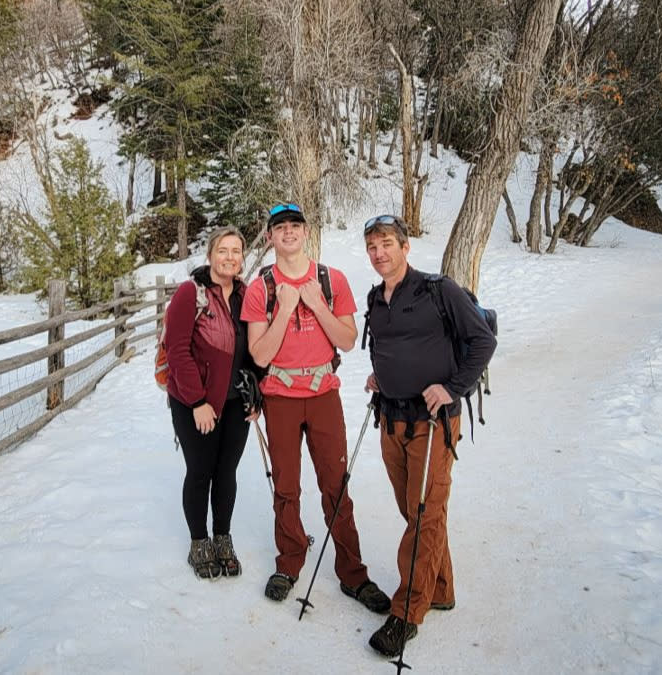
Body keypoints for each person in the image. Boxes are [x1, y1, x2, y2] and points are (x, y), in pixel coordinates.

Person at [241, 203, 390, 613]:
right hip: (280, 397)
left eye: (295, 226)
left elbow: (345, 339)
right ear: (270, 236)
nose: (288, 232)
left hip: (324, 394)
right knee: (286, 485)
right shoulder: (261, 288)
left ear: (305, 232)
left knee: (335, 483)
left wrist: (315, 304)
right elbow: (259, 354)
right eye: (280, 227)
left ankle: (352, 572)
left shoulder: (331, 279)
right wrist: (287, 306)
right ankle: (289, 562)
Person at [361, 214, 496, 655]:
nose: (379, 253)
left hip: (433, 422)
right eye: (372, 247)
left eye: (386, 244)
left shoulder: (440, 290)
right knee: (416, 510)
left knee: (424, 510)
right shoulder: (376, 299)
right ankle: (441, 589)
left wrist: (453, 387)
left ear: (405, 247)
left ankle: (407, 612)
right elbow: (391, 347)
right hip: (391, 419)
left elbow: (482, 342)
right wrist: (381, 377)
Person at [165, 226, 259, 580]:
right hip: (196, 402)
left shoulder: (247, 296)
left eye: (236, 251)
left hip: (236, 402)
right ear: (210, 255)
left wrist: (256, 393)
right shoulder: (192, 294)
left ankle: (222, 536)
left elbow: (253, 350)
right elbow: (178, 350)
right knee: (201, 470)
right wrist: (198, 402)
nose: (230, 257)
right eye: (223, 250)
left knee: (226, 472)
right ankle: (198, 541)